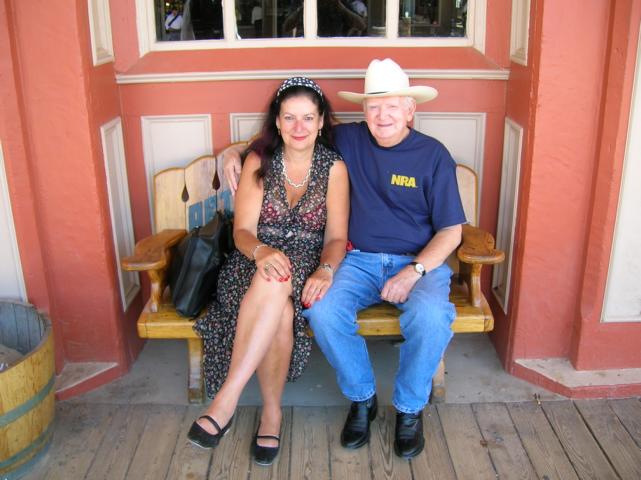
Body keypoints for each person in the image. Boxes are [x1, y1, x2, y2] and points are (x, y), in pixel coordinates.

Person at [223, 59, 466, 459]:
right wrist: (234, 150)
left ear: (410, 110)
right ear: (364, 110)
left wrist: (414, 271)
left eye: (392, 106)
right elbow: (292, 132)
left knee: (431, 317)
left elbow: (451, 232)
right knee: (322, 310)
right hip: (360, 260)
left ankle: (409, 409)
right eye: (374, 106)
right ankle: (362, 398)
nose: (383, 115)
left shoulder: (433, 155)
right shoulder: (349, 139)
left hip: (418, 262)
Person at [187, 77, 349, 467]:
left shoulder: (334, 169)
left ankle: (225, 401)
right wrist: (262, 252)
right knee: (277, 290)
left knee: (281, 285)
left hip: (306, 263)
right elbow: (242, 232)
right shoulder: (259, 162)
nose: (299, 127)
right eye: (289, 117)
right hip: (251, 260)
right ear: (277, 121)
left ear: (321, 121)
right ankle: (269, 413)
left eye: (307, 118)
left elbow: (336, 237)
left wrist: (326, 270)